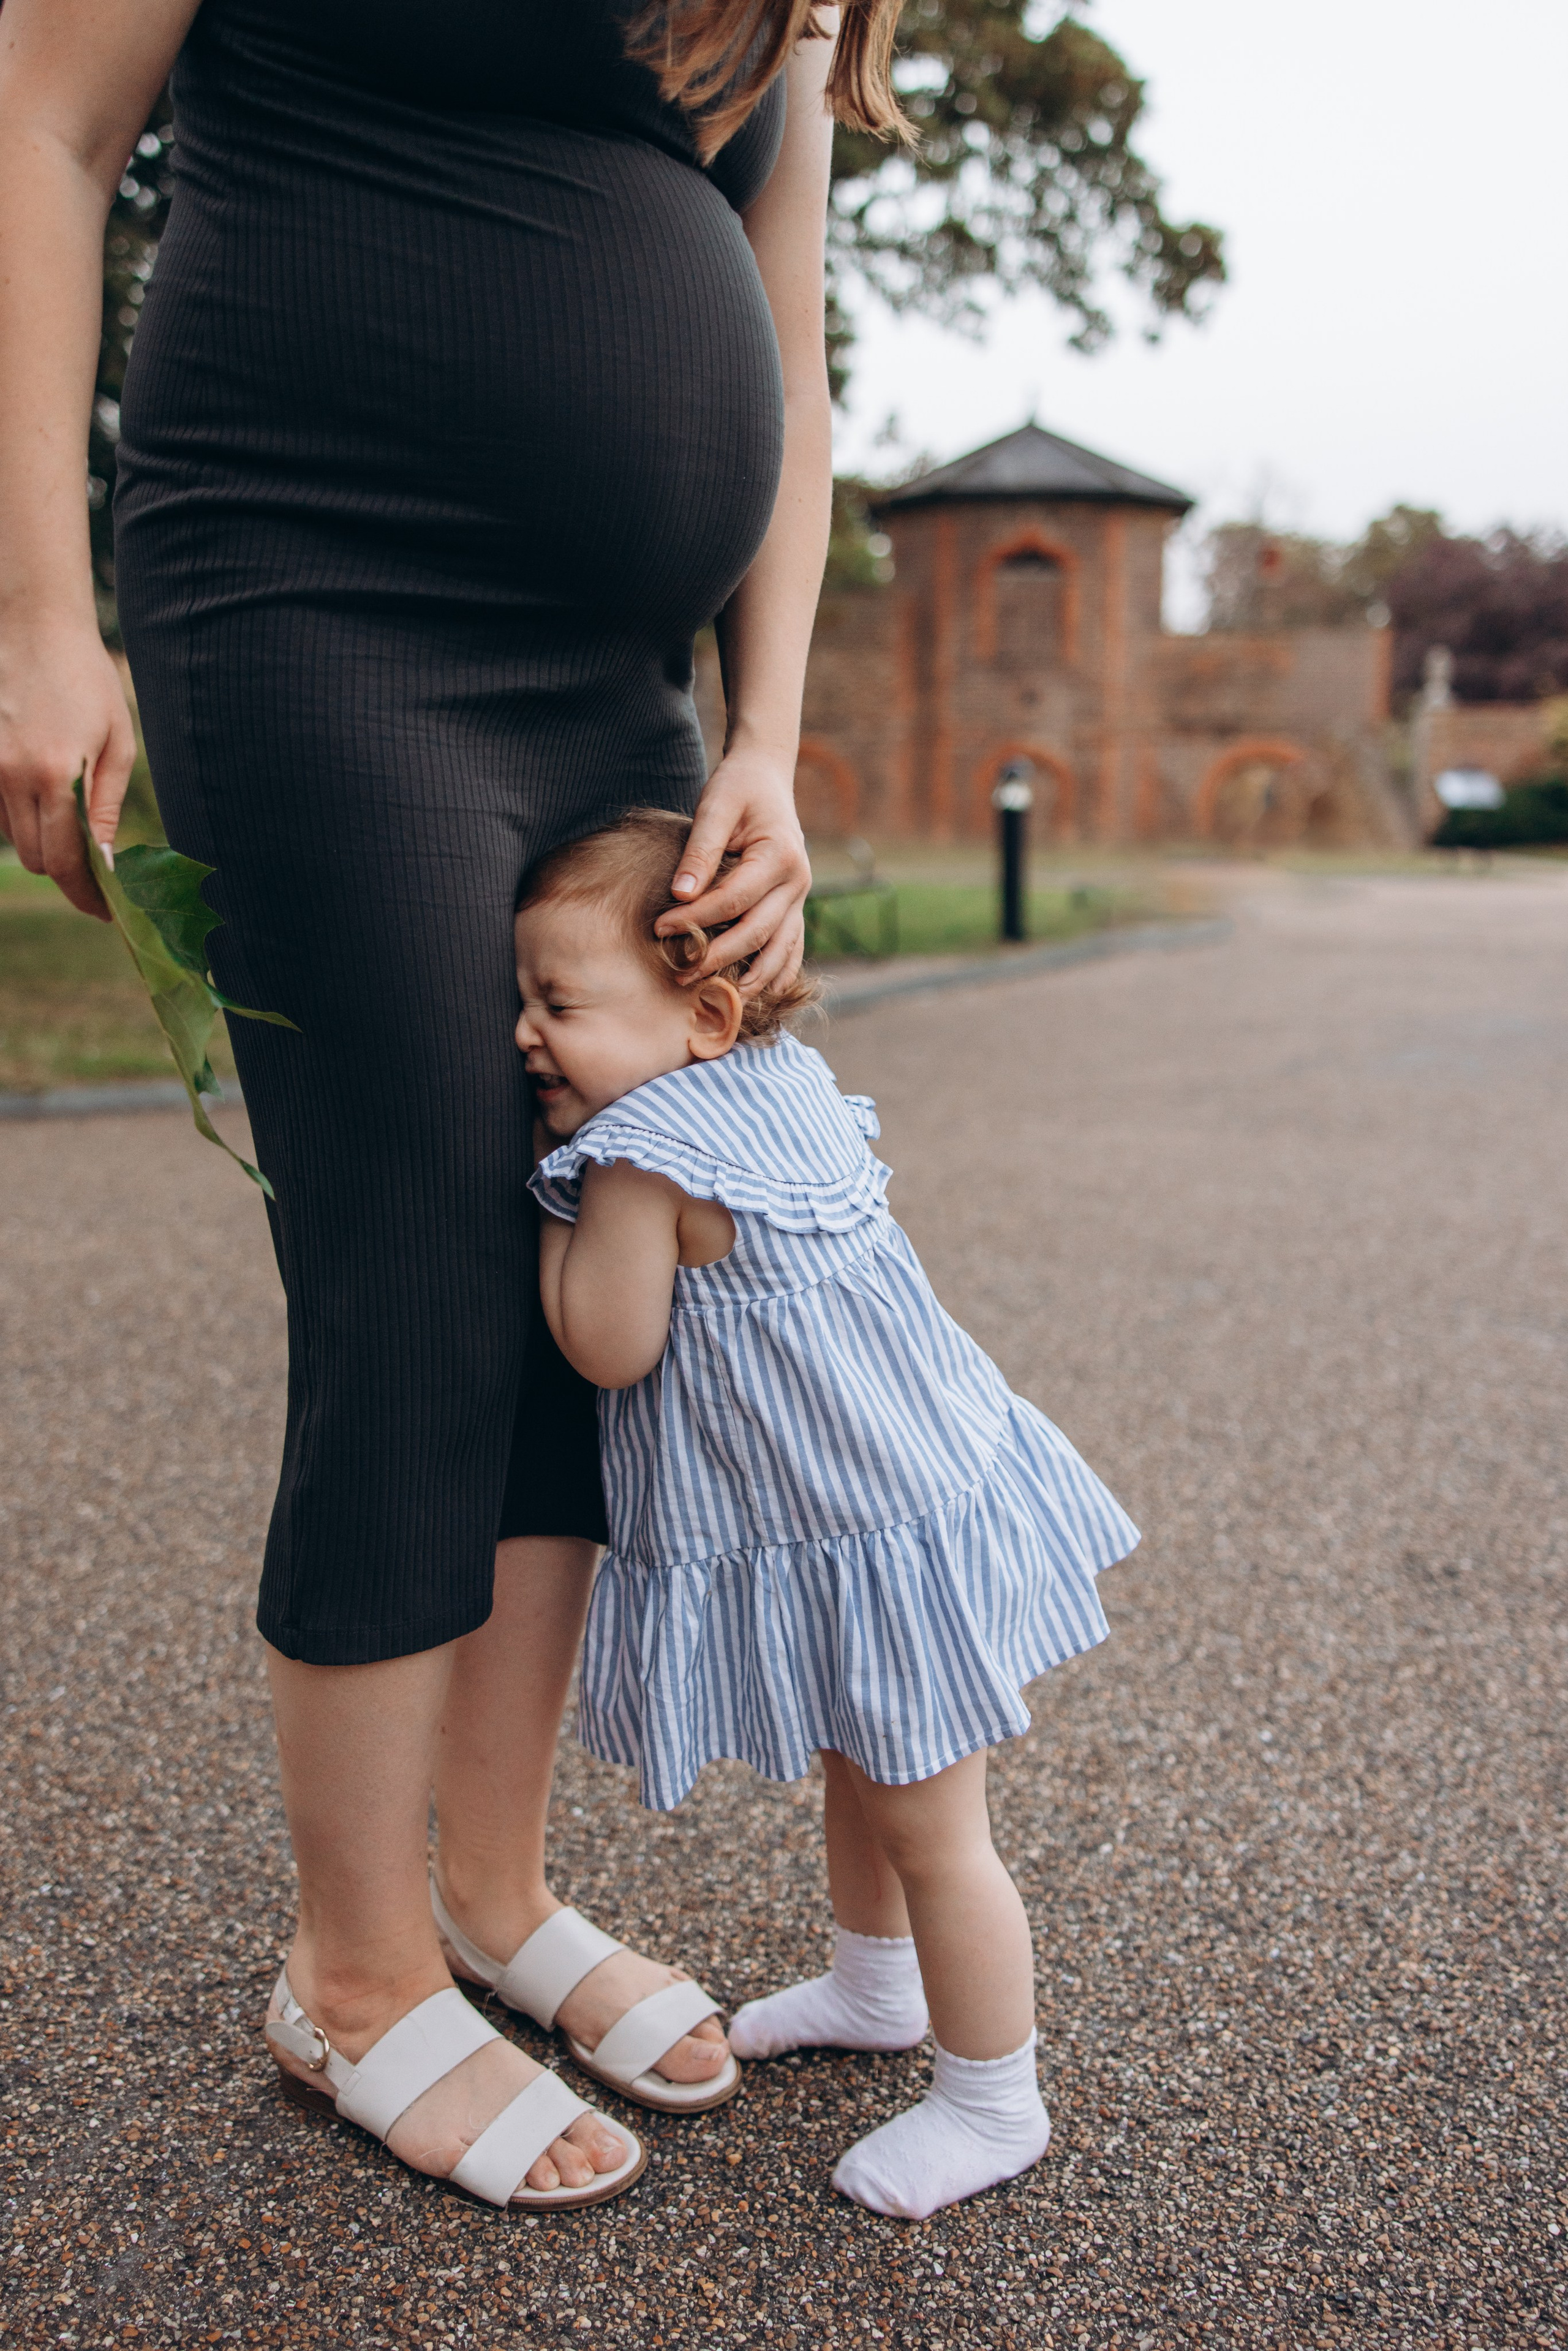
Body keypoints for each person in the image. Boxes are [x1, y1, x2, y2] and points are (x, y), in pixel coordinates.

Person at [0, 0, 908, 2206]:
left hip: (619, 683)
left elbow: (778, 340)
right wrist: (39, 617)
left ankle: (491, 1891)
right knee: (410, 1252)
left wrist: (768, 733)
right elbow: (44, 118)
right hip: (316, 583)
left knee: (598, 1249)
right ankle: (353, 1958)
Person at [514, 807, 1142, 2218]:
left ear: (703, 1009)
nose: (524, 1036)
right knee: (870, 1764)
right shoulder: (782, 1074)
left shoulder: (635, 1160)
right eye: (524, 999)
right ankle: (876, 1986)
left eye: (559, 1002)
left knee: (938, 1834)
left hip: (867, 1532)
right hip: (916, 1496)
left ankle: (993, 2100)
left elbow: (604, 1342)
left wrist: (550, 1200)